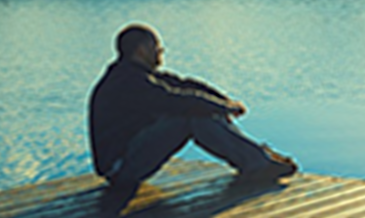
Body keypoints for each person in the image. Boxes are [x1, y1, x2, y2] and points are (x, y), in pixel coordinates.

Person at [88, 23, 297, 187]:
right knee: (191, 114)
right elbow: (177, 100)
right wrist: (221, 108)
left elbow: (185, 84)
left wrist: (223, 101)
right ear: (142, 50)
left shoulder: (136, 75)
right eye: (157, 48)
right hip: (120, 168)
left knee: (201, 107)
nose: (161, 53)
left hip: (130, 159)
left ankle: (257, 160)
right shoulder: (128, 81)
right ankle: (257, 163)